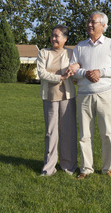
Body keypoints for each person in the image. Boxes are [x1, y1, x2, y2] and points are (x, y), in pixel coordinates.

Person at [68, 11, 111, 180]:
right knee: (85, 134)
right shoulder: (80, 46)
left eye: (93, 22)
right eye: (88, 22)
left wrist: (100, 72)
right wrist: (86, 73)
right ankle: (86, 168)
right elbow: (73, 70)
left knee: (107, 133)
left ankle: (108, 168)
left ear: (103, 26)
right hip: (84, 96)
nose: (89, 25)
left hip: (105, 94)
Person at [37, 24, 78, 176]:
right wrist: (60, 77)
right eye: (52, 35)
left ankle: (69, 166)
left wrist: (73, 69)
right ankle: (49, 168)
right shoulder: (43, 53)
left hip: (67, 98)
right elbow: (41, 73)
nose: (54, 38)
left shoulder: (71, 53)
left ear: (65, 39)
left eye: (57, 36)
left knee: (68, 132)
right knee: (50, 132)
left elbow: (77, 68)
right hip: (49, 97)